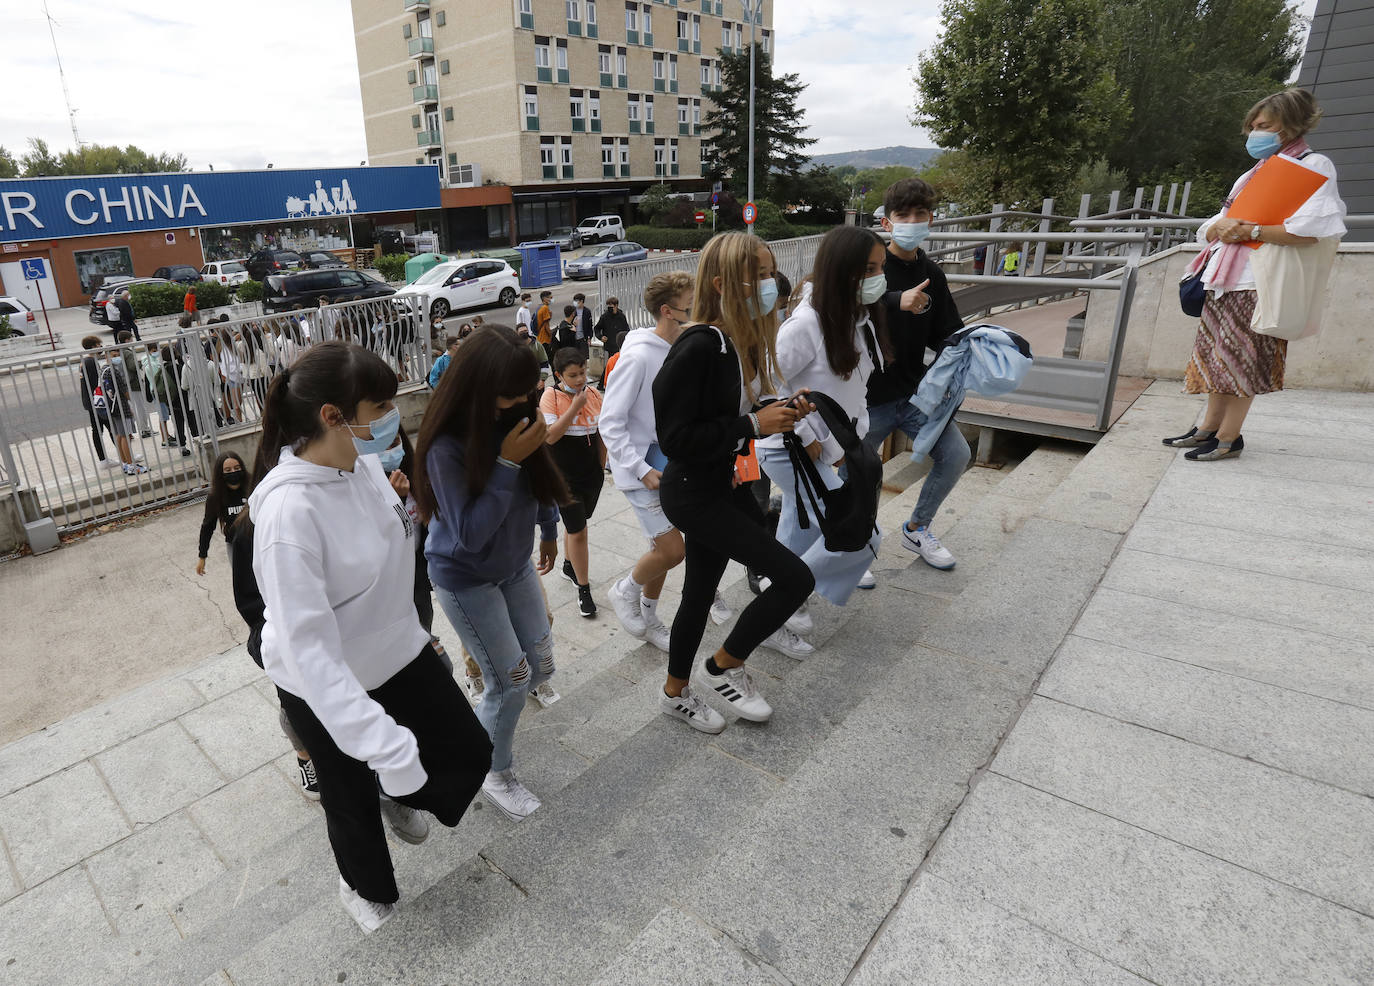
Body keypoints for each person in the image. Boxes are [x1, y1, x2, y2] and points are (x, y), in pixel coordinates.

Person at [247, 340, 491, 933]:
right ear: (332, 416)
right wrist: (383, 744)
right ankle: (364, 888)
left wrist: (418, 633)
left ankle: (394, 789)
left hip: (395, 650)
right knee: (347, 795)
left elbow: (391, 555)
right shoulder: (288, 516)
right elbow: (309, 651)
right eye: (380, 405)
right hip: (323, 678)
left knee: (468, 752)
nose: (392, 417)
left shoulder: (362, 468)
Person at [651, 232, 816, 733]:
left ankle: (674, 693)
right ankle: (725, 665)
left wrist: (775, 410)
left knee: (699, 595)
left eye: (771, 273)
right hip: (693, 492)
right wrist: (750, 427)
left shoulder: (733, 342)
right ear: (723, 284)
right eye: (759, 276)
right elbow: (676, 437)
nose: (770, 284)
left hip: (720, 483)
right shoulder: (701, 344)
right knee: (794, 577)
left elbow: (727, 414)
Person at [414, 326, 568, 822]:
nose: (525, 399)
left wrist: (548, 528)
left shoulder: (517, 411)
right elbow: (470, 535)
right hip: (466, 577)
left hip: (516, 565)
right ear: (478, 388)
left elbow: (539, 472)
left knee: (542, 664)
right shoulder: (445, 447)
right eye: (514, 391)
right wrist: (505, 463)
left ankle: (488, 718)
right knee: (512, 680)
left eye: (529, 388)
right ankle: (492, 770)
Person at [1163, 88, 1347, 461]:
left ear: (1290, 124)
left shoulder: (1313, 166)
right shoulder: (1255, 172)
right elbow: (1217, 222)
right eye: (1252, 126)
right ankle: (1207, 429)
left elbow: (1311, 230)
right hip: (1225, 278)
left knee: (1243, 359)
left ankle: (1230, 437)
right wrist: (1223, 228)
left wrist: (1251, 231)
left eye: (1263, 126)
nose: (1254, 134)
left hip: (1260, 280)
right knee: (1217, 357)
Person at [757, 227, 887, 631]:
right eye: (867, 269)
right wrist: (808, 436)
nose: (876, 278)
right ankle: (789, 591)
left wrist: (854, 436)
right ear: (840, 269)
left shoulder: (859, 320)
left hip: (833, 444)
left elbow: (857, 385)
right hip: (789, 446)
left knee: (801, 514)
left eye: (880, 269)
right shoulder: (806, 324)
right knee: (838, 520)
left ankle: (778, 584)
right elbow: (769, 386)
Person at [867, 177, 970, 573]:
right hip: (868, 397)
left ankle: (917, 527)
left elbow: (948, 331)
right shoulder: (872, 267)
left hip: (914, 394)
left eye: (920, 214)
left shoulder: (934, 274)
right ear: (888, 222)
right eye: (902, 215)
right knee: (862, 472)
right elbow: (848, 308)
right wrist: (895, 300)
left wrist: (983, 346)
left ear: (930, 219)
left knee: (957, 454)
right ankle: (859, 543)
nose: (912, 221)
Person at [540, 347, 605, 619]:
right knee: (579, 531)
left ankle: (569, 565)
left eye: (582, 373)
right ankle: (584, 589)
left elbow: (602, 433)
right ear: (559, 375)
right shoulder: (550, 396)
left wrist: (601, 470)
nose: (580, 379)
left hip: (591, 475)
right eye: (573, 375)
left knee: (577, 525)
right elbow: (551, 437)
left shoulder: (594, 394)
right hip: (564, 478)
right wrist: (574, 407)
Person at [197, 452, 250, 574]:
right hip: (236, 545)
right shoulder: (215, 496)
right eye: (228, 470)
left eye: (237, 468)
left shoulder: (254, 486)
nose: (233, 472)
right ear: (221, 474)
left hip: (258, 541)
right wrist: (202, 556)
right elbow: (207, 526)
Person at [78, 336, 119, 470]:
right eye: (99, 345)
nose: (101, 347)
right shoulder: (91, 362)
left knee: (99, 429)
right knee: (110, 427)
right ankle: (123, 455)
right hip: (97, 402)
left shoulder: (85, 361)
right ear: (94, 346)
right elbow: (97, 384)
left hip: (91, 402)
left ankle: (104, 460)